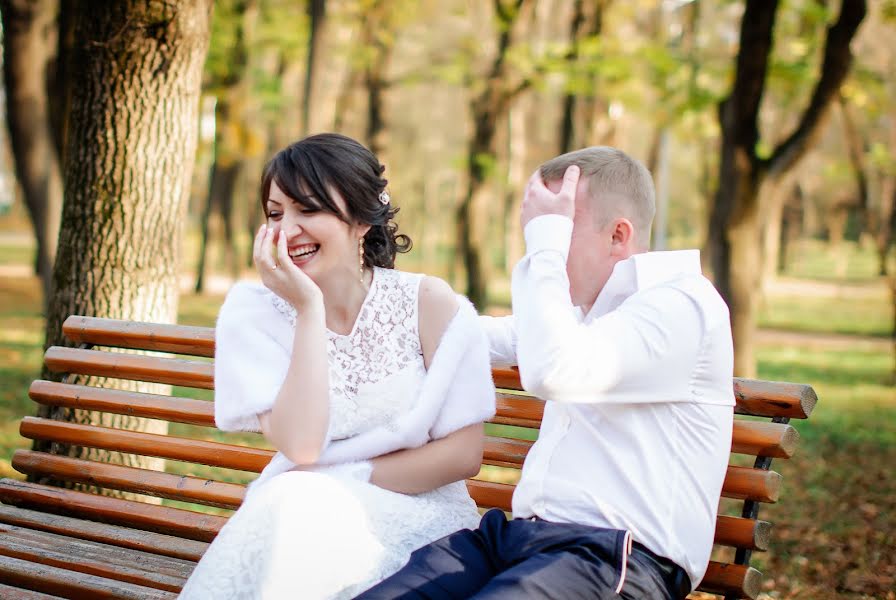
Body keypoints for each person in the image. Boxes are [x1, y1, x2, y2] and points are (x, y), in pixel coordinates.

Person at [356, 146, 735, 600]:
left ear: (618, 235)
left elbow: (555, 371)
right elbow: (471, 335)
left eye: (558, 232)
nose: (545, 248)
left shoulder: (682, 305)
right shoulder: (586, 316)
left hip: (616, 555)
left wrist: (544, 247)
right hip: (516, 540)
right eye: (539, 234)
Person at [178, 133, 496, 600]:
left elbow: (463, 455)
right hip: (302, 511)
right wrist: (308, 310)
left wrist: (339, 483)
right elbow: (303, 447)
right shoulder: (253, 313)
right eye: (274, 213)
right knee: (295, 508)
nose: (287, 230)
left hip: (423, 522)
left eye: (308, 210)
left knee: (297, 502)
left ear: (362, 220)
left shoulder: (427, 302)